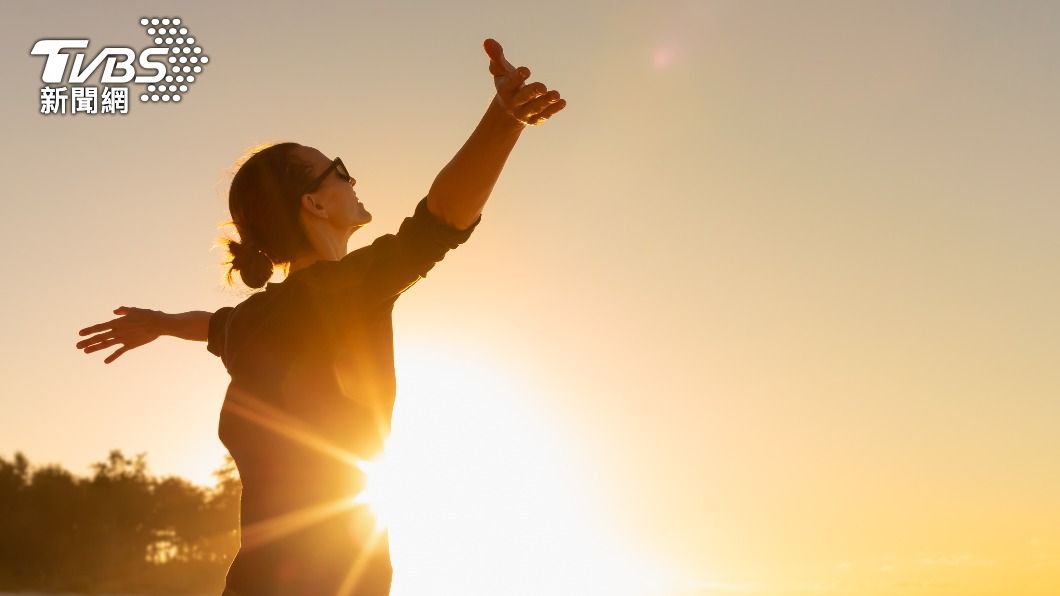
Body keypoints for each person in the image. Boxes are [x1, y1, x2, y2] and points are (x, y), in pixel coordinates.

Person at [74, 38, 566, 596]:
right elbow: (438, 223)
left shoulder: (255, 320)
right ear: (314, 203)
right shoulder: (343, 290)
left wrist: (162, 322)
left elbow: (213, 324)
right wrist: (503, 119)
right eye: (337, 170)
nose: (351, 180)